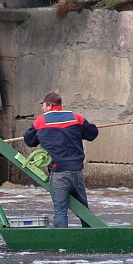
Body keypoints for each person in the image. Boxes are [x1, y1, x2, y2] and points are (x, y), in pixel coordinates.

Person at [24, 92, 99, 228]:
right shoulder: (75, 117)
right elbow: (92, 133)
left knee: (60, 212)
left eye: (43, 105)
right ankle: (91, 238)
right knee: (84, 211)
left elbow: (29, 140)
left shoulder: (40, 121)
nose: (42, 108)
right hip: (77, 171)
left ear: (49, 106)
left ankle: (60, 246)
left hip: (58, 172)